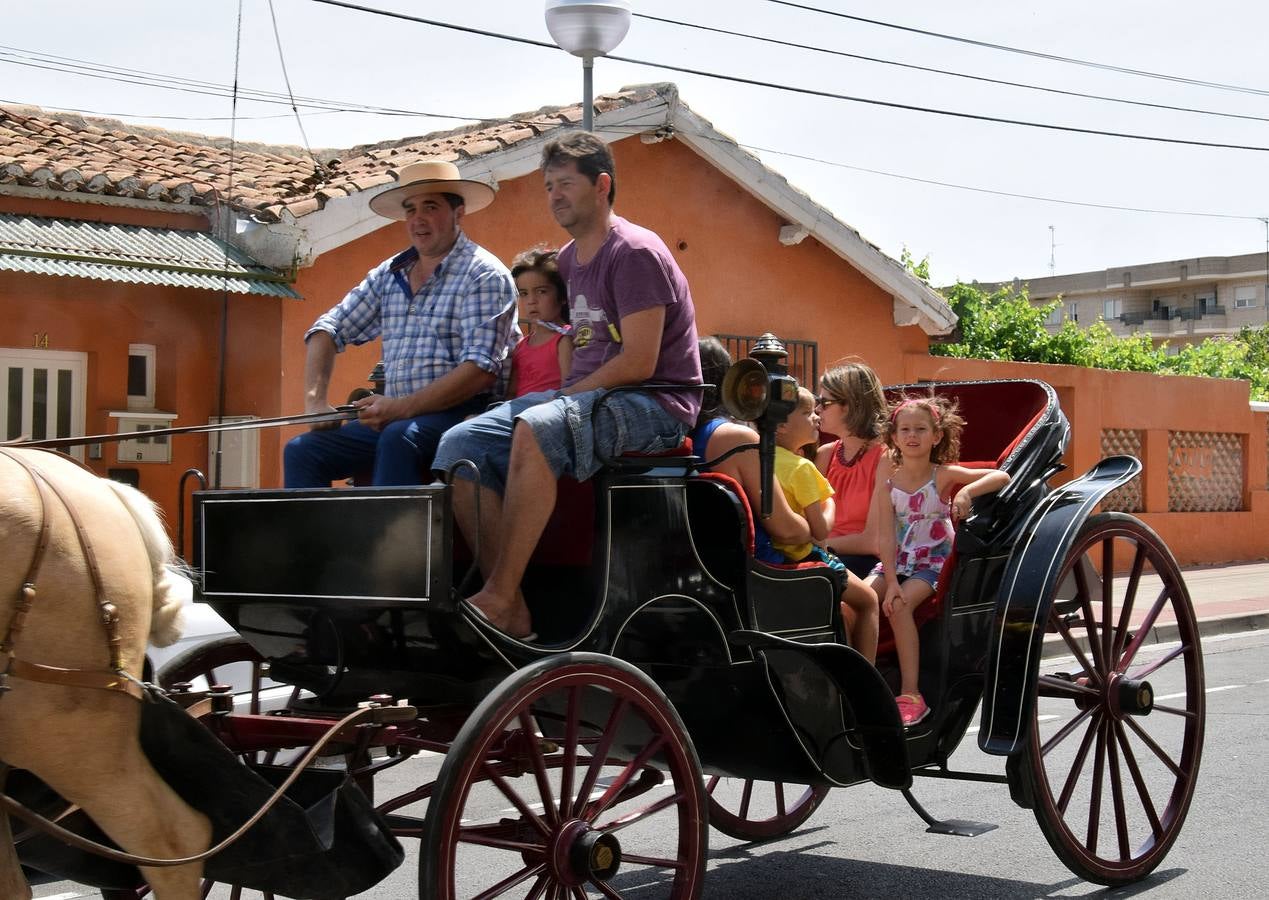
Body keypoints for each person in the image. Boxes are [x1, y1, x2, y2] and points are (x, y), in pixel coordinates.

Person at [433, 132, 702, 639]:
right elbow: (585, 345)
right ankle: (508, 599)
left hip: (655, 402)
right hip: (592, 395)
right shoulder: (570, 259)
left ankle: (500, 594)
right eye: (548, 186)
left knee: (536, 427)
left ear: (602, 185)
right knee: (458, 444)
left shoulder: (636, 252)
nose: (553, 195)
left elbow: (640, 361)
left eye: (564, 184)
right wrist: (563, 394)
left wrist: (563, 398)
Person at [283, 160, 519, 488]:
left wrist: (399, 408)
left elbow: (480, 370)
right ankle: (311, 540)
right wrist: (315, 403)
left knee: (398, 438)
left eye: (430, 206)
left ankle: (393, 540)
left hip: (464, 414)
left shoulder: (484, 274)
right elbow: (327, 328)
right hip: (397, 415)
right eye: (410, 209)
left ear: (458, 213)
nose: (418, 219)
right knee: (301, 451)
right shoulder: (389, 273)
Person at [869, 394, 1011, 726]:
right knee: (859, 600)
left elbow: (1000, 477)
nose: (912, 435)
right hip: (898, 560)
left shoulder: (943, 475)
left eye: (921, 428)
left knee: (901, 606)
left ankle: (911, 694)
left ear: (936, 436)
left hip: (933, 561)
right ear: (893, 436)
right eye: (904, 429)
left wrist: (965, 492)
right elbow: (885, 537)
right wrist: (889, 581)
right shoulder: (888, 482)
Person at [772, 386, 879, 662]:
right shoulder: (801, 467)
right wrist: (829, 503)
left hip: (775, 557)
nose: (816, 417)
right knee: (868, 601)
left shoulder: (761, 461)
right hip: (805, 557)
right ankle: (867, 679)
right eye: (808, 413)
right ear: (782, 426)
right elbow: (820, 532)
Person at [691, 337, 814, 554]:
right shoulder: (738, 438)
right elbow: (785, 529)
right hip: (752, 565)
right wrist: (811, 528)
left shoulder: (679, 437)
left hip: (700, 558)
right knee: (867, 591)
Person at [814, 362, 890, 580]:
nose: (817, 409)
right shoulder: (825, 454)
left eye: (824, 402)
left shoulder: (886, 457)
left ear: (850, 405)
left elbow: (872, 541)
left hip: (864, 562)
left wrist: (814, 547)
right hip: (826, 556)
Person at [508, 247, 573, 397]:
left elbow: (569, 390)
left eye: (541, 291)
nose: (531, 301)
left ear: (562, 296)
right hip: (515, 412)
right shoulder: (521, 346)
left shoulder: (565, 339)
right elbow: (511, 394)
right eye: (523, 294)